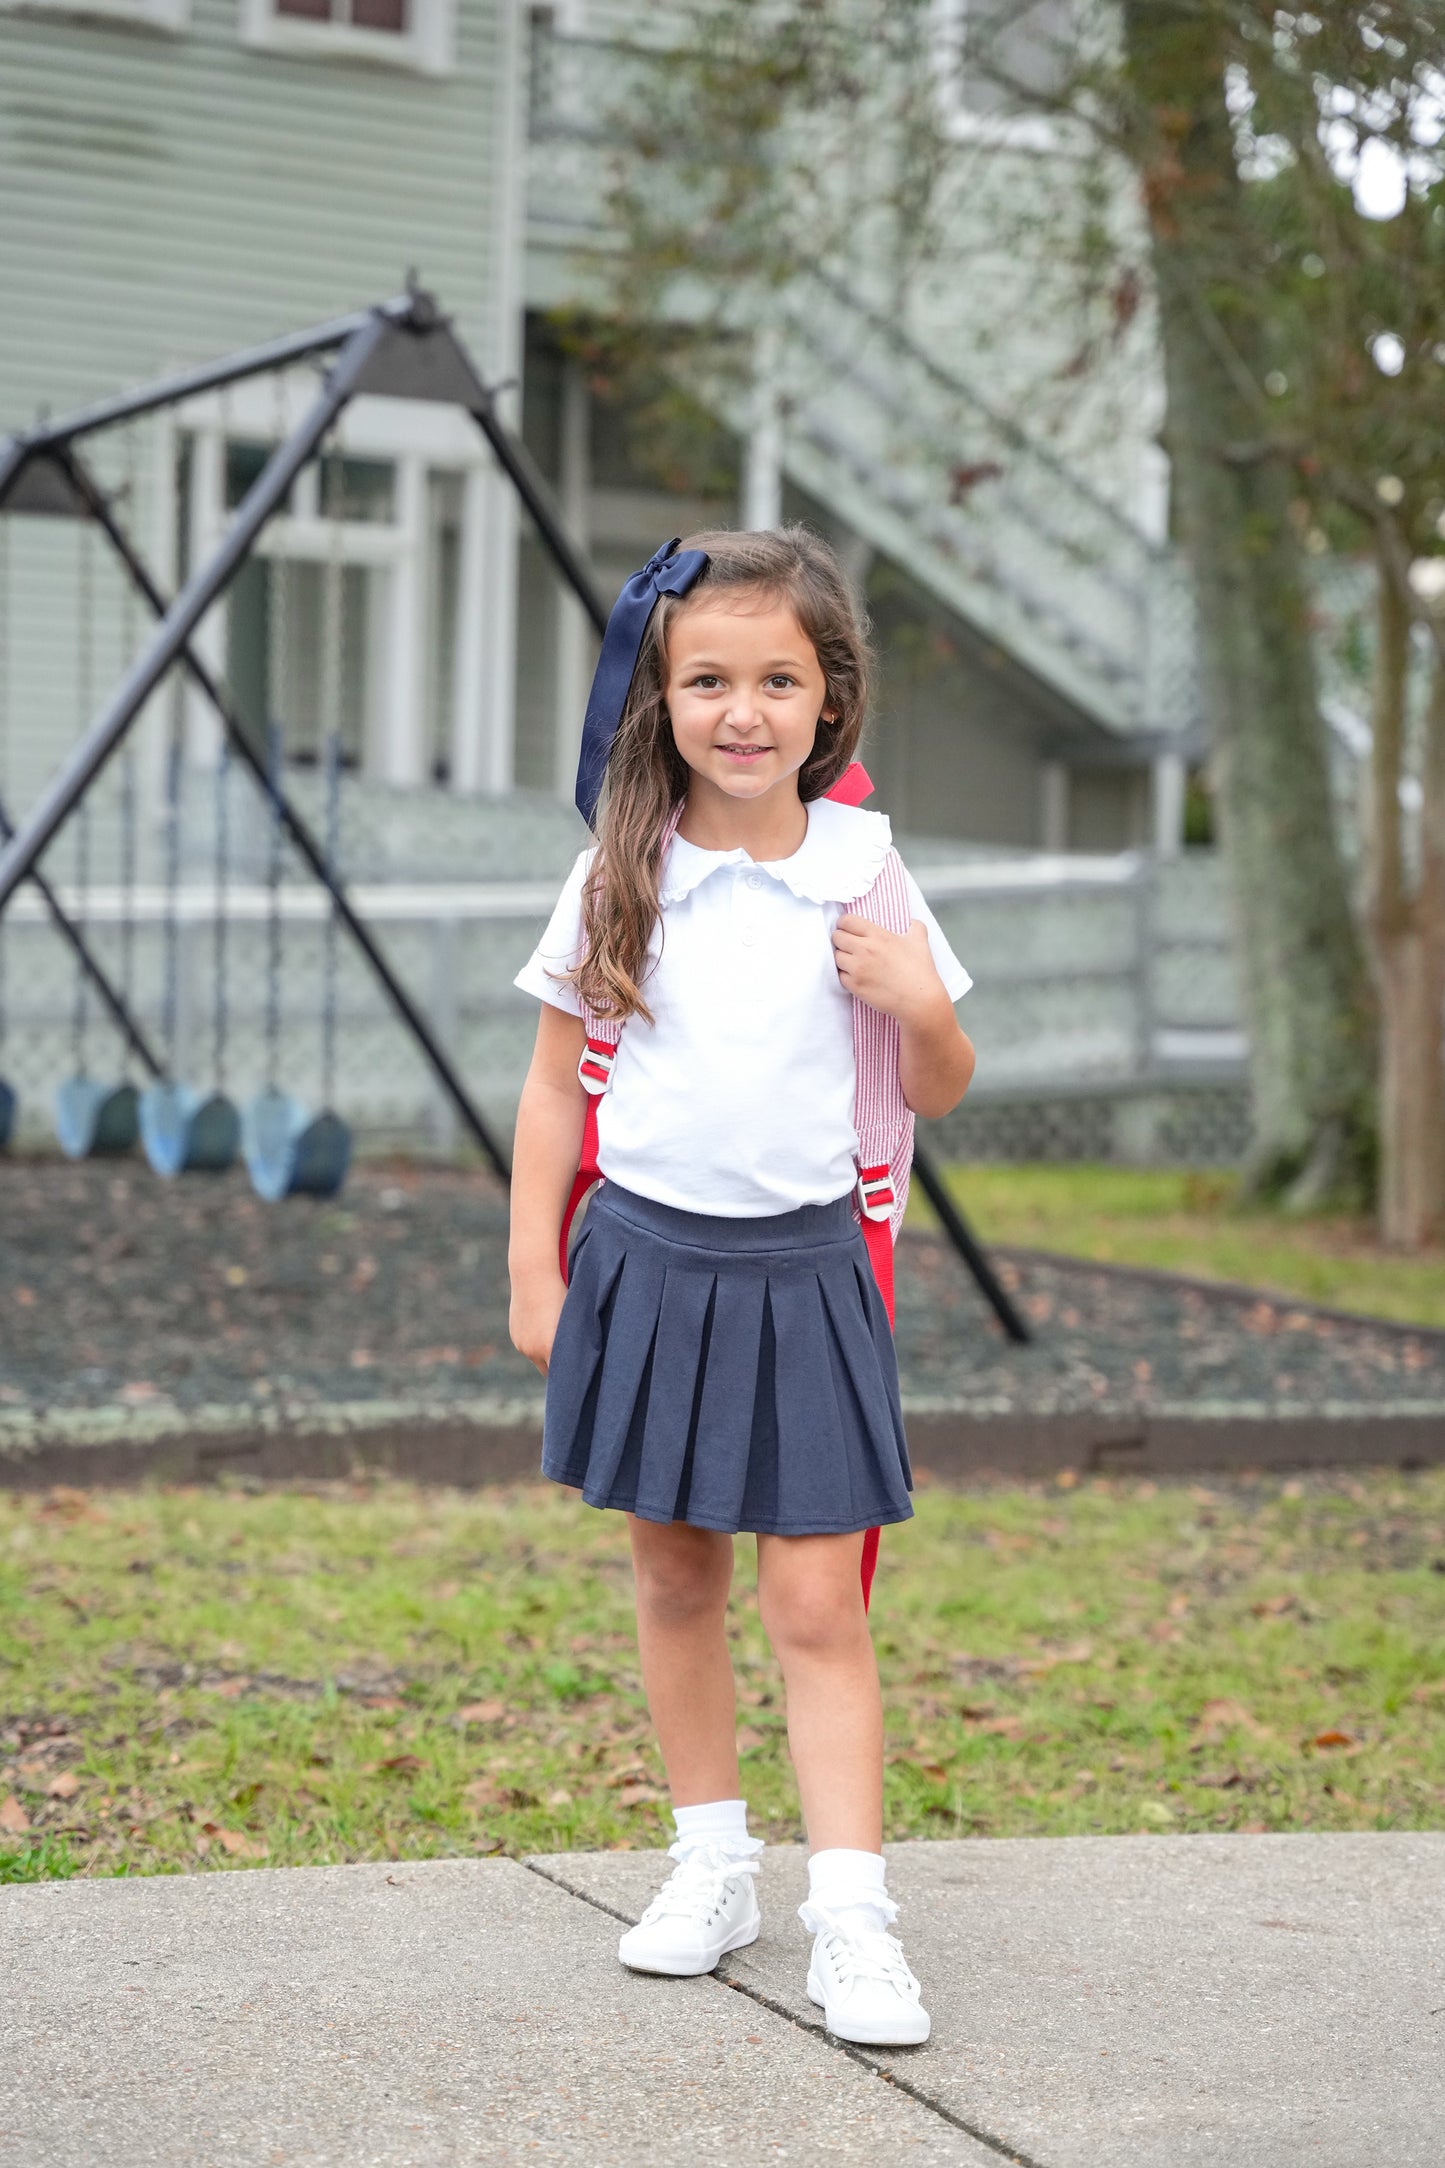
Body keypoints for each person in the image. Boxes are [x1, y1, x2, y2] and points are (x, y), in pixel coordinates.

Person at [508, 525, 975, 2048]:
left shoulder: (865, 868)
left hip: (805, 1269)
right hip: (643, 1263)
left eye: (779, 679)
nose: (743, 710)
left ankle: (852, 1917)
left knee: (815, 1605)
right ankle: (710, 1863)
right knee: (671, 1577)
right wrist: (534, 1270)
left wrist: (917, 1004)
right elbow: (549, 1095)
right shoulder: (616, 873)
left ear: (828, 700)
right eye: (707, 678)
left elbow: (942, 1086)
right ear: (658, 695)